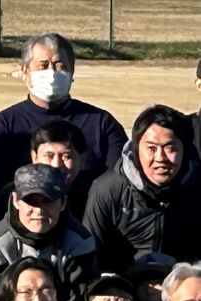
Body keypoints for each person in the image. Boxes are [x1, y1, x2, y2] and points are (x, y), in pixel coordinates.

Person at [0, 33, 128, 211]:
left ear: (72, 71)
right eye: (43, 66)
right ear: (25, 72)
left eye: (60, 66)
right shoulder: (2, 127)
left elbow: (120, 185)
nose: (51, 73)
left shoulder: (102, 124)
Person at [83, 104, 201, 271]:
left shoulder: (196, 187)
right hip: (123, 286)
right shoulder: (108, 189)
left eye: (170, 148)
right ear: (136, 149)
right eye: (151, 149)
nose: (160, 158)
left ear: (185, 150)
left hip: (183, 287)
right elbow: (91, 256)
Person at [0, 163, 100, 295]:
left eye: (48, 201)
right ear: (15, 200)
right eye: (31, 201)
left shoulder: (79, 243)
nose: (39, 210)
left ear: (63, 202)